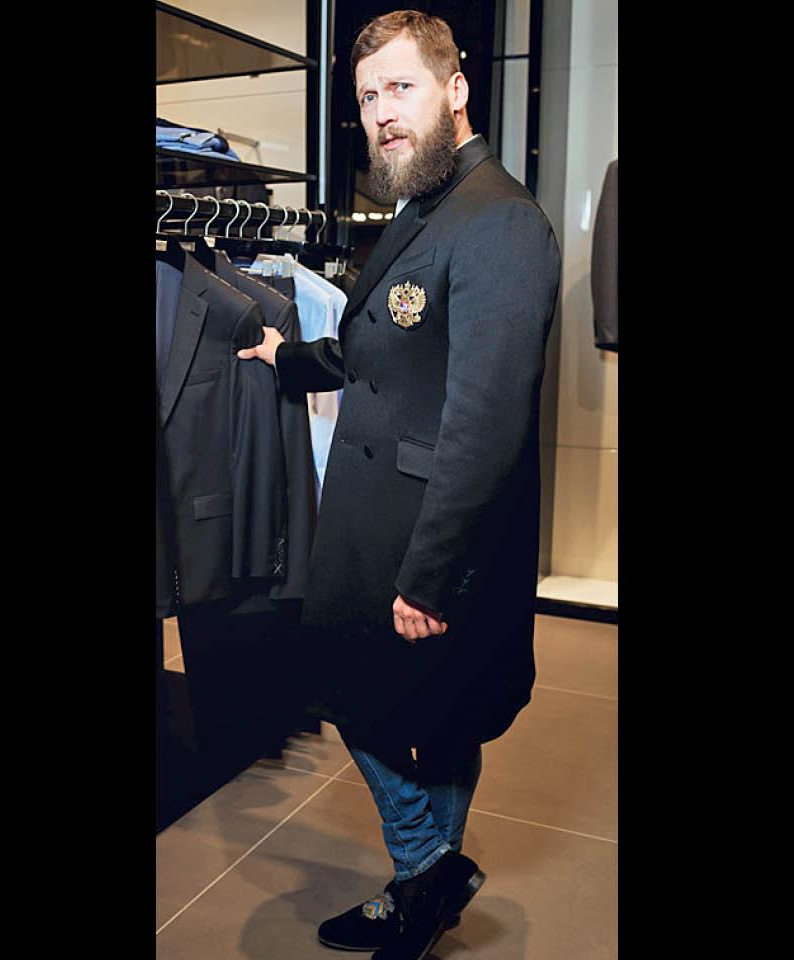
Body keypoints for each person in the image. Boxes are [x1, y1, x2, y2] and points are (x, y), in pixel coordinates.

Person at [238, 10, 561, 960]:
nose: (382, 111)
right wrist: (288, 356)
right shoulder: (426, 208)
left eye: (402, 87)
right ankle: (426, 892)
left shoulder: (500, 221)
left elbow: (486, 423)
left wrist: (430, 575)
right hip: (386, 519)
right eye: (368, 96)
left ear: (456, 89)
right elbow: (379, 351)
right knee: (437, 719)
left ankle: (423, 866)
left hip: (430, 537)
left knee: (366, 697)